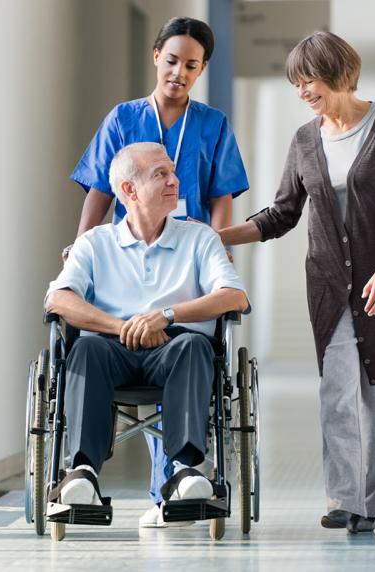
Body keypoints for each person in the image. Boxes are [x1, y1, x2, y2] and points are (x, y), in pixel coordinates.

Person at [218, 31, 375, 534]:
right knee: (337, 392)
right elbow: (282, 213)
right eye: (296, 83)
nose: (302, 90)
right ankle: (343, 498)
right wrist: (216, 236)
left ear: (336, 72)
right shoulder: (305, 141)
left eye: (307, 79)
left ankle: (369, 506)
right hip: (330, 288)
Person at [67, 16, 250, 527]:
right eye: (172, 61)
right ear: (156, 57)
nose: (179, 72)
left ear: (201, 70)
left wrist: (215, 247)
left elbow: (221, 197)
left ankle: (174, 482)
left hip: (186, 250)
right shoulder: (124, 118)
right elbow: (102, 190)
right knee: (111, 343)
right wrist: (84, 244)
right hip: (132, 246)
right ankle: (122, 481)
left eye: (191, 65)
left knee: (186, 346)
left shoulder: (211, 124)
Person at [45, 142, 249, 512]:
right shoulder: (94, 243)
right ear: (129, 190)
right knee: (84, 349)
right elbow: (59, 300)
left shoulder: (200, 238)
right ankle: (82, 473)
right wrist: (121, 325)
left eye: (172, 171)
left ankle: (185, 471)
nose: (176, 180)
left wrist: (166, 316)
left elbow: (234, 297)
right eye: (161, 174)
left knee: (194, 347)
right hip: (109, 348)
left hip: (175, 347)